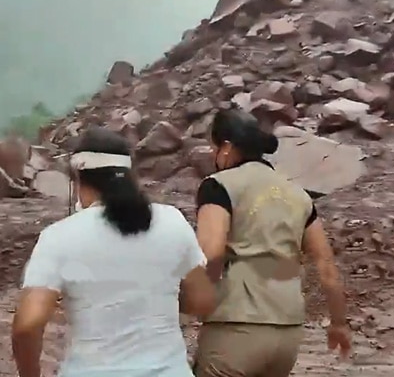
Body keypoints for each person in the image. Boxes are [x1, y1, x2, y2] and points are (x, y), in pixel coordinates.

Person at [12, 126, 216, 377]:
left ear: (78, 178)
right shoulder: (172, 221)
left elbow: (27, 325)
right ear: (129, 175)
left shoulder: (59, 236)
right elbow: (202, 300)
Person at [193, 109, 351, 377]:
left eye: (214, 147)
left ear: (226, 147)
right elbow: (326, 268)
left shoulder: (218, 186)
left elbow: (210, 254)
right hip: (287, 337)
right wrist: (338, 323)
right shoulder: (298, 195)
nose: (213, 154)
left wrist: (185, 304)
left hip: (235, 330)